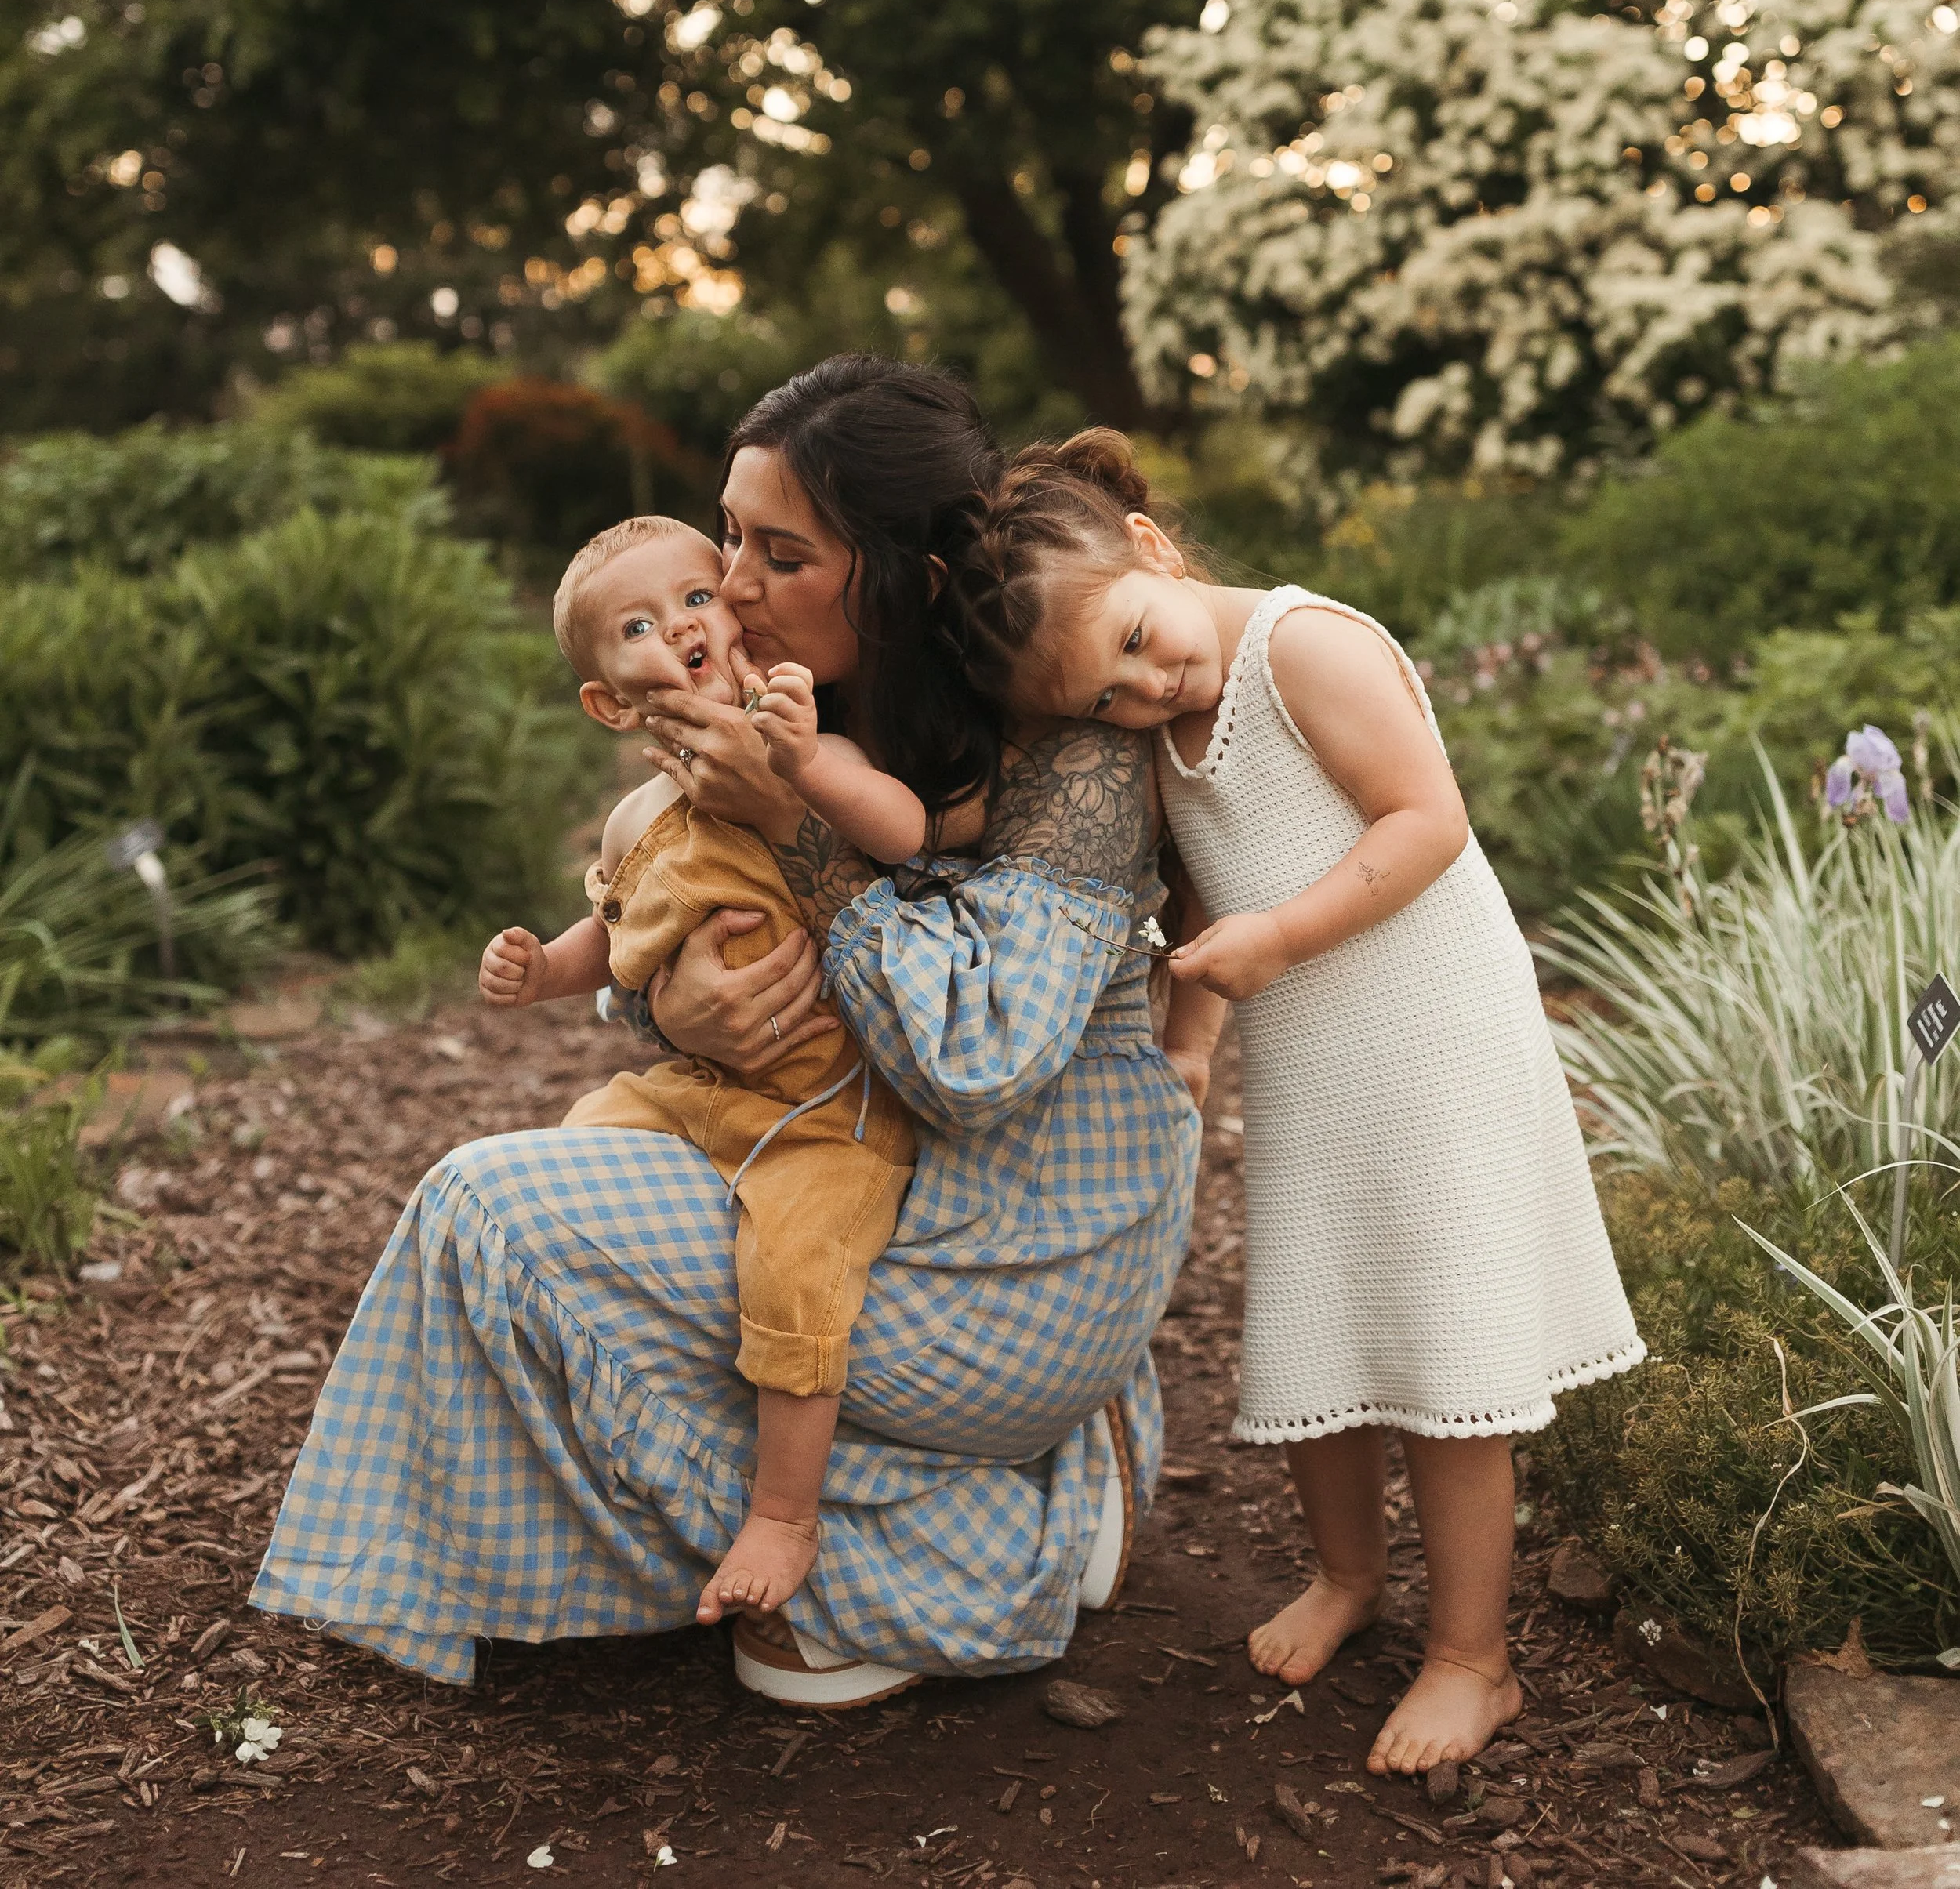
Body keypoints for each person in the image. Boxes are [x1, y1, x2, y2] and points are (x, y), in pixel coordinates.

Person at [252, 361, 1199, 1710]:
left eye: (778, 552)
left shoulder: (1071, 737)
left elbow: (973, 1062)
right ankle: (971, 1491)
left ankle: (996, 1542)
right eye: (730, 534)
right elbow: (675, 907)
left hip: (1018, 1243)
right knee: (536, 1215)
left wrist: (794, 823)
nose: (732, 583)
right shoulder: (791, 692)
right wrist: (657, 1001)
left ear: (907, 579)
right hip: (851, 1156)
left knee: (497, 1212)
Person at [951, 430, 1644, 1777]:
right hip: (1320, 1072)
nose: (1151, 688)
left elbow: (1423, 821)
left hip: (1438, 1045)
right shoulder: (1162, 725)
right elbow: (1206, 890)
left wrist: (1277, 940)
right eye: (1109, 699)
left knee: (1449, 1364)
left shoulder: (1301, 648)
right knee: (1318, 1325)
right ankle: (1346, 1575)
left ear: (1152, 552)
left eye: (1143, 643)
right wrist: (1196, 1032)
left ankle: (1474, 1658)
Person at [477, 511, 929, 1628]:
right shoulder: (636, 810)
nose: (679, 625)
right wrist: (543, 970)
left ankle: (784, 1509)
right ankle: (612, 1435)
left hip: (827, 1108)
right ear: (607, 700)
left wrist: (804, 762)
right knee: (572, 1157)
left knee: (796, 1266)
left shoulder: (803, 739)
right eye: (638, 624)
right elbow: (611, 927)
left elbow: (907, 828)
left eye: (693, 598)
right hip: (698, 1089)